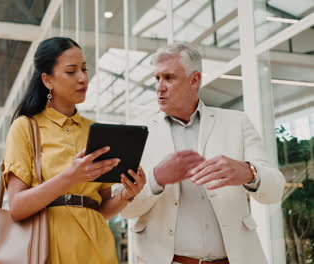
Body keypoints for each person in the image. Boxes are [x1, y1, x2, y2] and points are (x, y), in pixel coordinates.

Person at [120, 43, 286, 264]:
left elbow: (275, 189)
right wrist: (155, 180)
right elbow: (127, 210)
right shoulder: (136, 132)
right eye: (157, 78)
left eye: (169, 78)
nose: (159, 87)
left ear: (194, 79)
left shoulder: (237, 122)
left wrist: (249, 172)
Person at [3, 37, 147, 264]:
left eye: (84, 69)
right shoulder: (26, 127)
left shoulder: (95, 131)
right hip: (47, 247)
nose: (83, 77)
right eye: (71, 71)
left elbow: (100, 210)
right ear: (48, 80)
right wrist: (71, 177)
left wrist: (127, 195)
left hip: (97, 248)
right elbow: (17, 207)